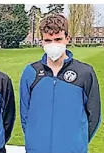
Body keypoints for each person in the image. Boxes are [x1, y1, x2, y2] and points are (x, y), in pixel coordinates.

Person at [20, 14, 101, 153]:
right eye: (48, 40)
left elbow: (94, 115)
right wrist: (33, 139)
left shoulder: (84, 72)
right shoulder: (31, 72)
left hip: (72, 149)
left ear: (67, 39)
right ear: (42, 41)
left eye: (58, 39)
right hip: (37, 149)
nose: (53, 45)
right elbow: (24, 113)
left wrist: (78, 141)